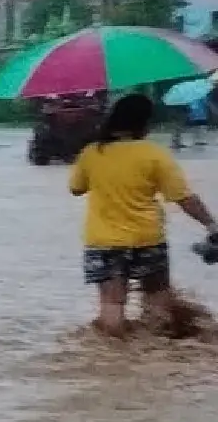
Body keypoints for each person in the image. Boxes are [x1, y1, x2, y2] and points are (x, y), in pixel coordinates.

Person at [70, 93, 218, 335]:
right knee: (157, 304)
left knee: (112, 304)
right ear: (145, 123)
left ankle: (114, 361)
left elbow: (76, 189)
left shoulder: (91, 153)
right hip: (147, 240)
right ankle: (155, 359)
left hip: (103, 242)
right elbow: (184, 198)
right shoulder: (154, 154)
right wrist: (212, 225)